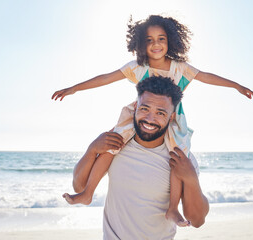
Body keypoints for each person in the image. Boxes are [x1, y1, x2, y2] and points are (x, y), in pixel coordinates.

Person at [52, 14, 253, 226]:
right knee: (112, 142)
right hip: (138, 114)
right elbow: (105, 78)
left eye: (161, 39)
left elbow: (207, 76)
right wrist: (73, 88)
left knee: (178, 156)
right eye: (149, 40)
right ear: (140, 43)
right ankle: (88, 193)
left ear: (170, 41)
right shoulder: (137, 67)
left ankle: (172, 208)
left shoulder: (180, 68)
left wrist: (237, 86)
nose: (156, 44)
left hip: (172, 118)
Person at [73, 76, 209, 239]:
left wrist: (191, 178)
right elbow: (80, 188)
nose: (150, 119)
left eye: (160, 112)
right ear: (136, 107)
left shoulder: (181, 158)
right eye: (145, 109)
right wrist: (92, 149)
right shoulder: (115, 145)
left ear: (171, 117)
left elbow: (197, 220)